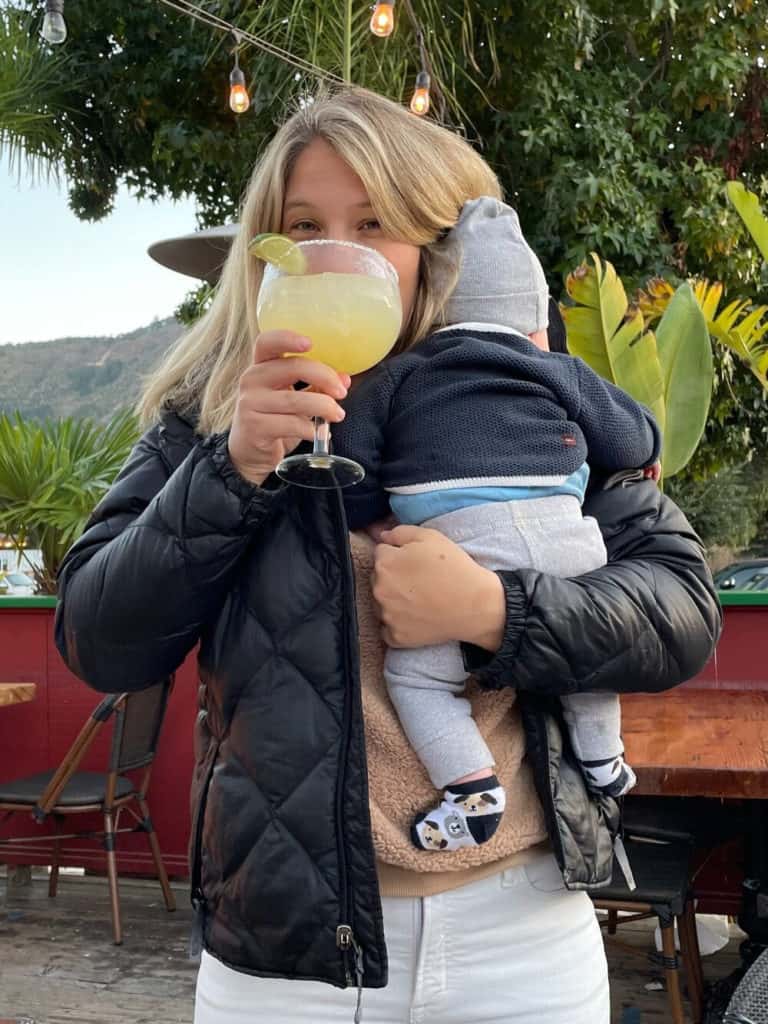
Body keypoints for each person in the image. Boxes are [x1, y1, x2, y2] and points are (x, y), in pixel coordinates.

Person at [54, 87, 721, 1024]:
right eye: (304, 226)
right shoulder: (208, 418)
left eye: (375, 224)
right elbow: (99, 640)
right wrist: (232, 468)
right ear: (267, 253)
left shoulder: (531, 397)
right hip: (288, 960)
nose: (339, 250)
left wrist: (496, 612)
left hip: (520, 931)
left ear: (435, 247)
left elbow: (681, 615)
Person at [333, 196, 654, 855]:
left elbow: (352, 476)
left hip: (459, 540)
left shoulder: (403, 372)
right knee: (583, 658)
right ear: (535, 318)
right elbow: (633, 441)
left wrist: (375, 515)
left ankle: (471, 788)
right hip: (567, 538)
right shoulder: (557, 368)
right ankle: (604, 760)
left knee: (420, 679)